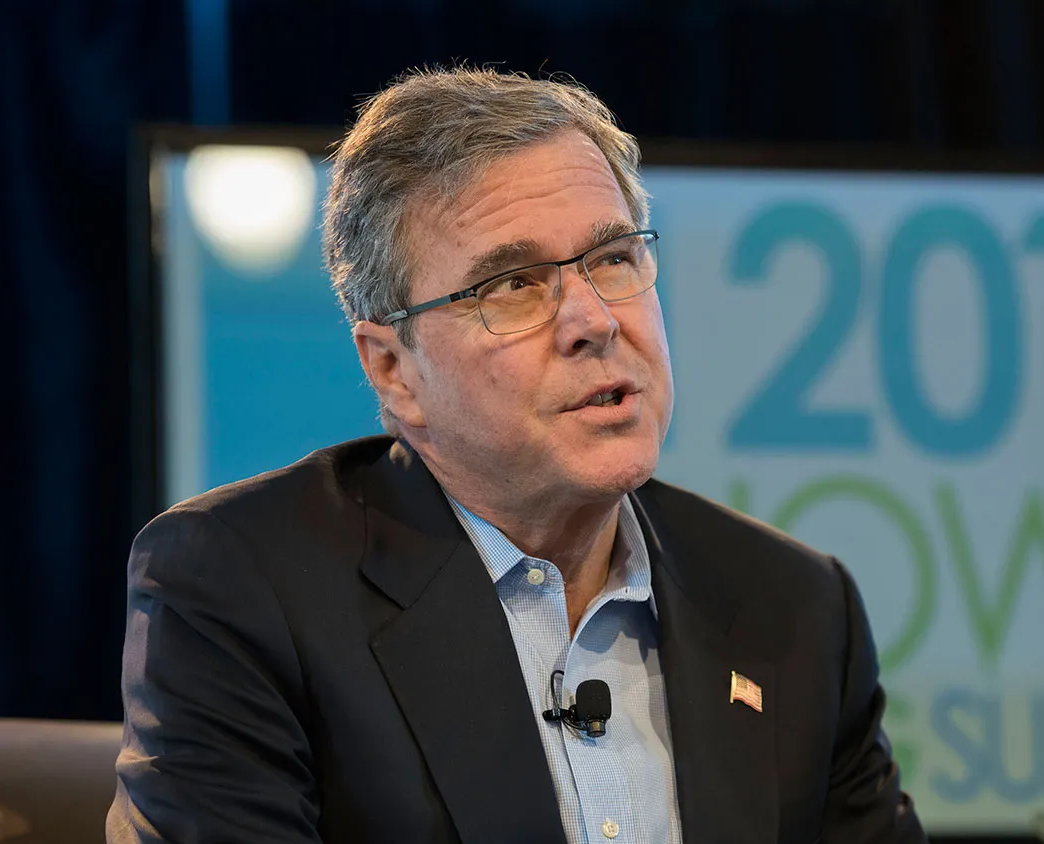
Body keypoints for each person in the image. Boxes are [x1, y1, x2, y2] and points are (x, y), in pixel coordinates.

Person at [107, 67, 924, 844]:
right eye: (515, 284)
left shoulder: (795, 608)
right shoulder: (241, 588)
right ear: (394, 371)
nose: (595, 321)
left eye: (613, 258)